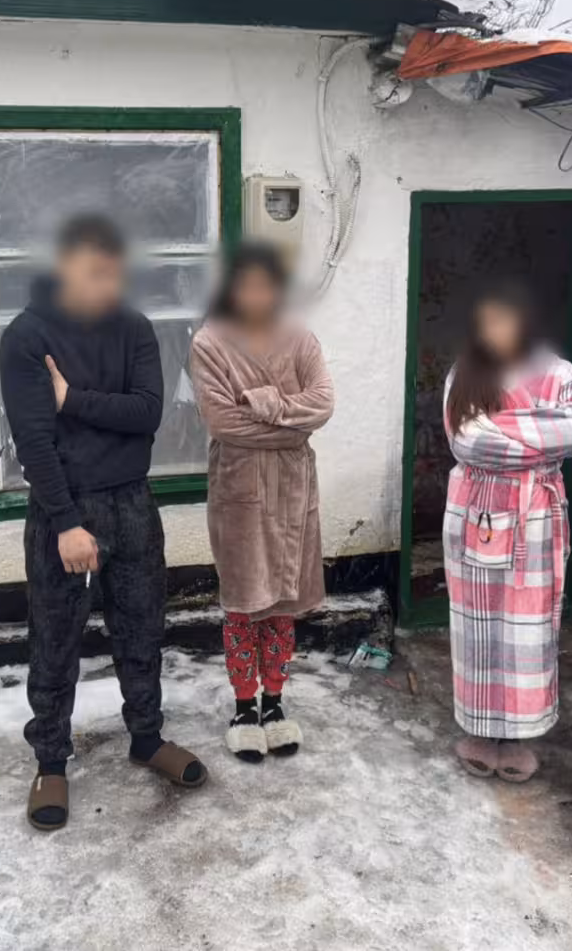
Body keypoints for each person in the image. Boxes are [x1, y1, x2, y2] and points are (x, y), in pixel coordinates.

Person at [0, 214, 207, 832]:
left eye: (117, 273)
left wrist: (73, 401)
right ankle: (50, 760)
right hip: (64, 510)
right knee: (55, 639)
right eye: (96, 272)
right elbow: (35, 441)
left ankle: (146, 736)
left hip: (134, 503)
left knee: (142, 627)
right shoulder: (28, 337)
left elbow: (148, 415)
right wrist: (66, 523)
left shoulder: (134, 328)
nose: (110, 285)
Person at [189, 242, 335, 762]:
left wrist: (264, 404)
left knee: (282, 603)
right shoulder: (210, 343)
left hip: (294, 487)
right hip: (240, 488)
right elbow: (222, 422)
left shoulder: (300, 338)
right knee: (244, 602)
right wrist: (290, 423)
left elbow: (323, 405)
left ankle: (274, 703)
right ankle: (243, 708)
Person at [442, 283, 572, 784]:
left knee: (528, 627)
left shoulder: (559, 374)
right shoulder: (464, 373)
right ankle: (480, 731)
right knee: (478, 624)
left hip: (537, 516)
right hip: (475, 512)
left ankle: (519, 736)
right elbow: (467, 441)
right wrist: (535, 434)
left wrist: (502, 425)